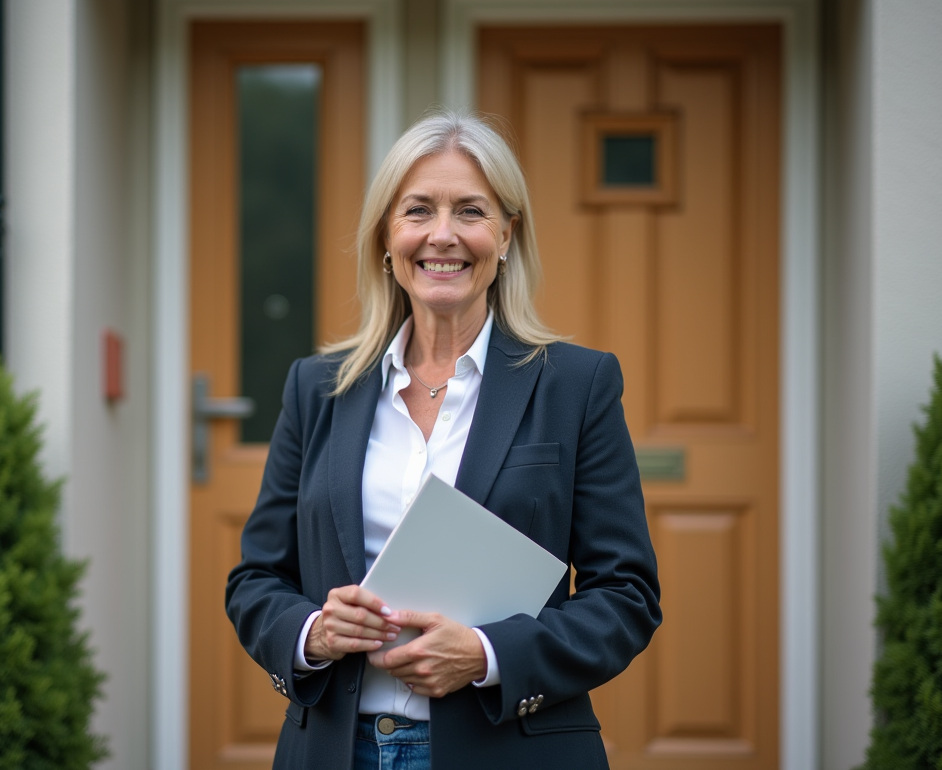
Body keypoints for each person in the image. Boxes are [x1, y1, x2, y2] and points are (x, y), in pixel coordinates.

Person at [225, 109, 661, 770]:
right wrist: (313, 632)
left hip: (509, 750)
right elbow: (257, 579)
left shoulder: (577, 384)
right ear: (386, 237)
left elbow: (626, 596)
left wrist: (487, 656)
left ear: (508, 236)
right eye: (419, 210)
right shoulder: (316, 388)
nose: (443, 236)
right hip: (337, 750)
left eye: (471, 212)